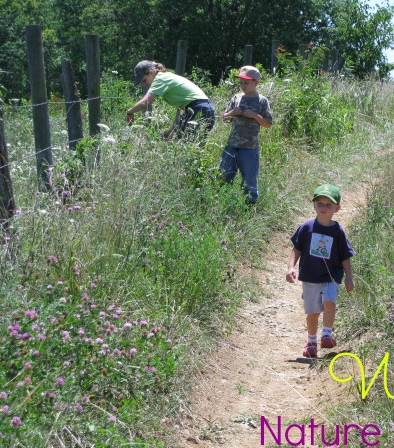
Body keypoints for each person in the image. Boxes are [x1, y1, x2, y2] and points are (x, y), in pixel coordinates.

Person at [286, 184, 355, 358]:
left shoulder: (337, 231)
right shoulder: (307, 227)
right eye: (320, 203)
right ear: (314, 206)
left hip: (331, 276)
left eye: (328, 205)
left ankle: (326, 334)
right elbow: (297, 249)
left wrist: (349, 277)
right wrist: (290, 267)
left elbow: (345, 256)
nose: (323, 208)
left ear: (337, 209)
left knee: (330, 300)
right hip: (310, 277)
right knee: (313, 312)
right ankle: (311, 342)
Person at [218, 66, 273, 204]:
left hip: (249, 147)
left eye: (246, 82)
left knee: (249, 181)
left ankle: (248, 207)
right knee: (223, 175)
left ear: (256, 83)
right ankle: (222, 203)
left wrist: (255, 116)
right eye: (241, 82)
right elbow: (224, 118)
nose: (243, 85)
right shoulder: (236, 97)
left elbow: (268, 123)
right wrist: (232, 113)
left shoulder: (261, 100)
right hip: (232, 145)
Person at [126, 60, 215, 138]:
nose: (144, 84)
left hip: (198, 108)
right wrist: (172, 131)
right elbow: (180, 109)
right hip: (204, 108)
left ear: (151, 72)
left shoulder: (160, 79)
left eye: (144, 80)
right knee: (190, 145)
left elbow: (145, 102)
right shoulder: (165, 77)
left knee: (186, 145)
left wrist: (129, 112)